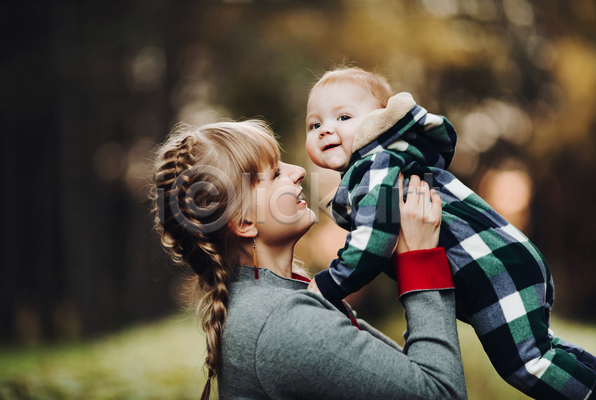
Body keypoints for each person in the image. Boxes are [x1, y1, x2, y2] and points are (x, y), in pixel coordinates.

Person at [304, 67, 596, 400]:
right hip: (505, 262)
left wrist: (328, 284)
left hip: (493, 269)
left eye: (343, 117)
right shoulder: (386, 164)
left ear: (380, 122)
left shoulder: (378, 164)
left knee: (527, 364)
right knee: (547, 350)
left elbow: (376, 237)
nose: (326, 130)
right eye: (315, 124)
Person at [150, 120, 468, 399]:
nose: (299, 172)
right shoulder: (281, 322)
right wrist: (420, 259)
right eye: (275, 173)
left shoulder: (277, 301)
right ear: (245, 222)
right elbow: (441, 392)